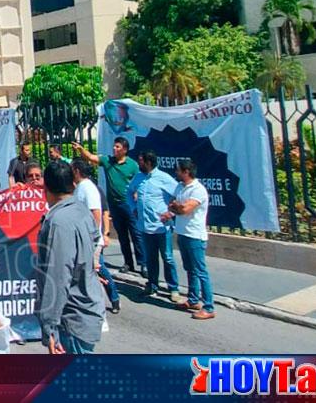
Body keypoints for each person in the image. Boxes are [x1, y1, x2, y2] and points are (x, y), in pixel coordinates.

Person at [35, 161, 104, 354]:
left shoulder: (59, 222)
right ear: (73, 184)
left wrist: (49, 326)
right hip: (85, 308)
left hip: (71, 318)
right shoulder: (82, 211)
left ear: (45, 188)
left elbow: (58, 277)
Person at [73, 137, 142, 275]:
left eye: (117, 147)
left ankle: (143, 263)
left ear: (125, 149)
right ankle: (128, 263)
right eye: (114, 146)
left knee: (136, 234)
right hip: (114, 205)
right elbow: (91, 157)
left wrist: (136, 195)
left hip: (128, 204)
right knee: (122, 235)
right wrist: (81, 149)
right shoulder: (108, 161)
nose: (114, 149)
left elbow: (139, 183)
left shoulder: (133, 165)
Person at [162, 159, 214, 320]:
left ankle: (208, 306)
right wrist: (173, 209)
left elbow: (185, 209)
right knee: (189, 269)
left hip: (195, 235)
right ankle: (192, 299)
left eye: (178, 170)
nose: (176, 173)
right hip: (182, 232)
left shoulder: (198, 190)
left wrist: (177, 207)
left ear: (186, 172)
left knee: (200, 271)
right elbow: (173, 205)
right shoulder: (180, 187)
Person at [127, 150, 181, 302]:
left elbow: (179, 194)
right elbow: (129, 192)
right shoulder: (138, 178)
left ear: (148, 162)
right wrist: (133, 207)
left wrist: (171, 212)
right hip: (144, 227)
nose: (138, 163)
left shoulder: (163, 178)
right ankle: (152, 285)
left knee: (167, 258)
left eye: (141, 161)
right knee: (150, 258)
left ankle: (173, 288)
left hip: (161, 227)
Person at [71, 159, 120, 315]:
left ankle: (108, 300)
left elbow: (96, 213)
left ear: (77, 171)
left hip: (90, 240)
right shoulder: (80, 187)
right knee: (95, 269)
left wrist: (92, 236)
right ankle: (109, 299)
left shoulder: (88, 188)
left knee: (94, 271)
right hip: (84, 239)